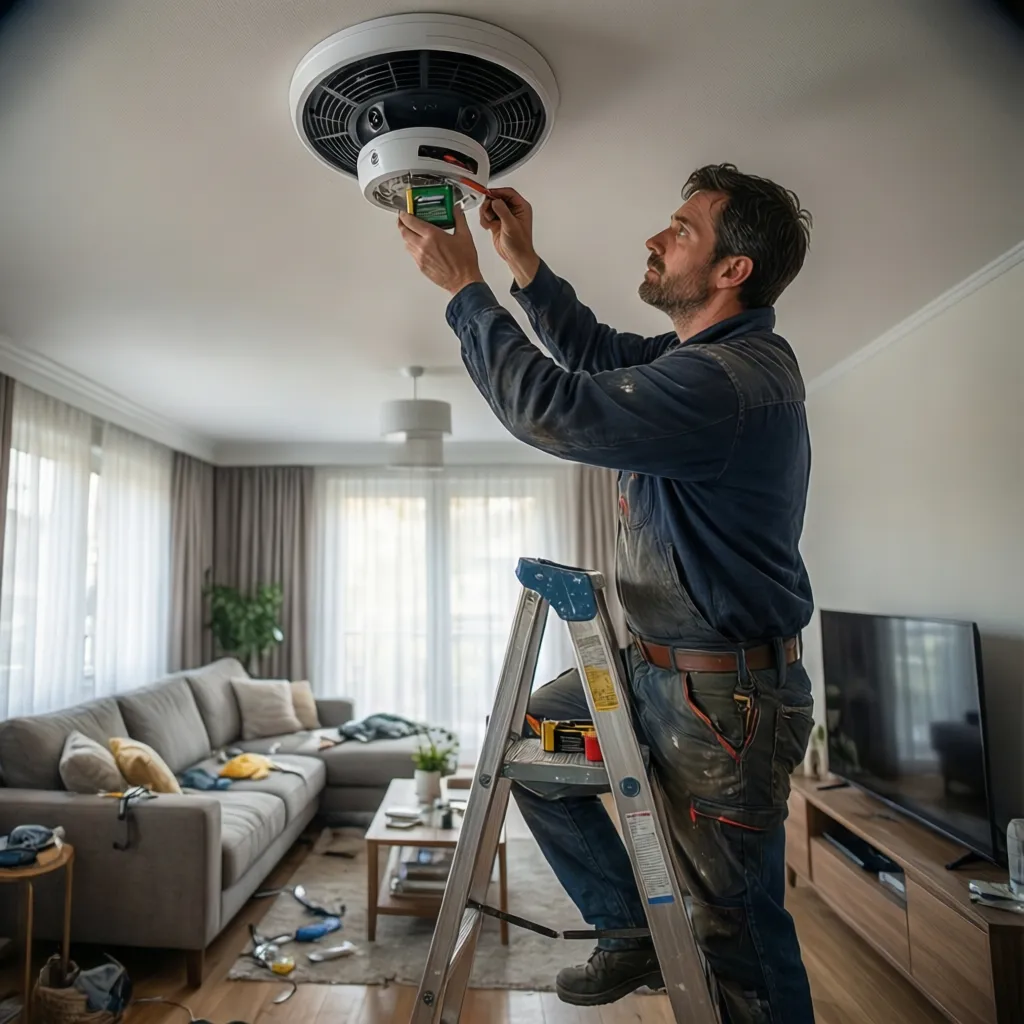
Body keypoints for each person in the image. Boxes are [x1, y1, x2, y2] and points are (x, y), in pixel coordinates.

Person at [397, 163, 817, 1023]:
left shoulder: (725, 382)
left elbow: (554, 407)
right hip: (655, 671)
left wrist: (468, 290)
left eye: (682, 229)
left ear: (733, 270)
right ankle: (628, 929)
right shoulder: (696, 360)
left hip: (722, 702)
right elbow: (593, 357)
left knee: (735, 937)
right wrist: (525, 266)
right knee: (530, 748)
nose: (657, 240)